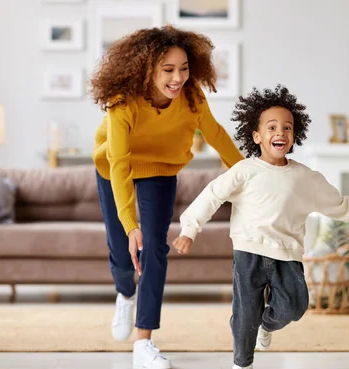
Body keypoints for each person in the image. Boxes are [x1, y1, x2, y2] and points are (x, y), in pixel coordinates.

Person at [173, 85, 349, 369]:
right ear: (257, 136)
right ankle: (242, 363)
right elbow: (212, 195)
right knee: (245, 313)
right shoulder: (244, 171)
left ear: (293, 135)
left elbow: (328, 197)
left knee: (295, 307)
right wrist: (189, 228)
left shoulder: (304, 177)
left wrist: (348, 210)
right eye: (272, 127)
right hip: (248, 251)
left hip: (287, 253)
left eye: (287, 128)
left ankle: (267, 325)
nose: (280, 133)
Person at [89, 25, 244, 369]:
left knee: (155, 248)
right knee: (120, 247)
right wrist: (130, 225)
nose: (178, 78)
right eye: (168, 70)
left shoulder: (192, 97)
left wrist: (250, 176)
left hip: (160, 169)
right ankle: (126, 293)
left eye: (184, 68)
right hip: (115, 168)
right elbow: (118, 163)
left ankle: (143, 342)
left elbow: (216, 135)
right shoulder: (123, 103)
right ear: (148, 70)